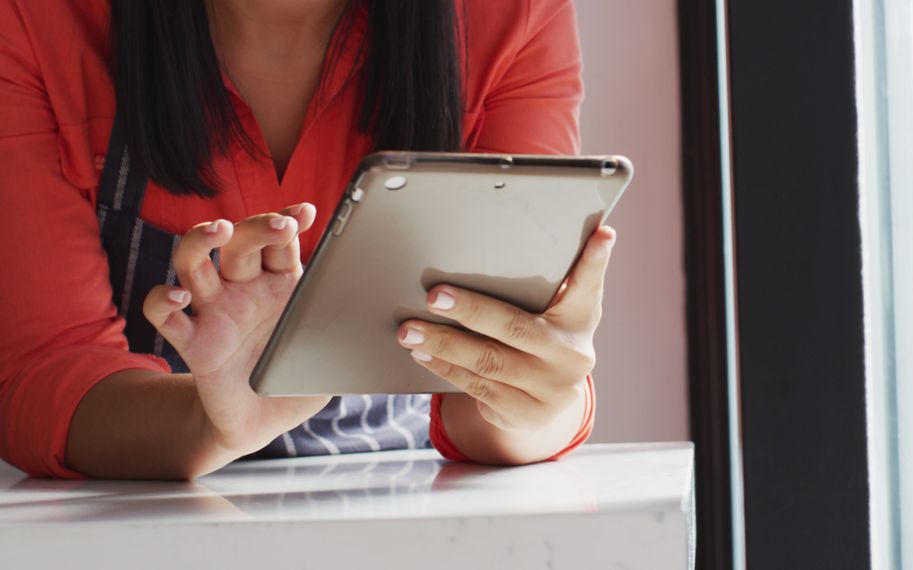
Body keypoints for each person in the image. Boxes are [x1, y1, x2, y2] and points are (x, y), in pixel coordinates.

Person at [0, 0, 613, 479]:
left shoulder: (511, 18)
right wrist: (211, 422)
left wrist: (544, 399)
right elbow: (42, 376)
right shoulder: (35, 21)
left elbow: (484, 408)